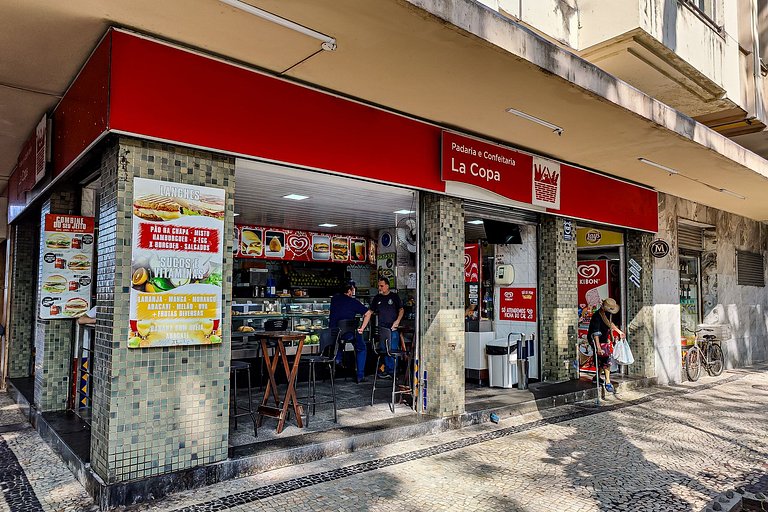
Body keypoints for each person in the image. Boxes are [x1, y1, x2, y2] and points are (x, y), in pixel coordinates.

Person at [363, 277, 404, 379]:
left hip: (392, 328)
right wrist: (363, 326)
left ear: (387, 286)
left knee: (392, 350)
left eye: (381, 286)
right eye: (379, 286)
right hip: (382, 328)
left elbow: (401, 310)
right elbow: (370, 312)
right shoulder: (377, 298)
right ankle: (386, 370)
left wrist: (397, 321)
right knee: (384, 349)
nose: (380, 288)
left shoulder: (394, 297)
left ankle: (393, 372)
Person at [328, 284, 370, 383]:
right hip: (348, 333)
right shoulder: (353, 302)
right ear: (349, 291)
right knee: (361, 348)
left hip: (333, 334)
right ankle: (360, 375)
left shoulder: (334, 299)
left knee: (339, 340)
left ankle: (338, 358)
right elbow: (368, 313)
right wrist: (362, 328)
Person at [587, 297, 625, 393]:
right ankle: (607, 381)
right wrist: (598, 347)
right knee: (606, 358)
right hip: (596, 340)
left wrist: (619, 331)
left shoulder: (606, 314)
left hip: (604, 339)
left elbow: (609, 324)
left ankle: (597, 377)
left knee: (602, 359)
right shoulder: (596, 316)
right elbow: (595, 333)